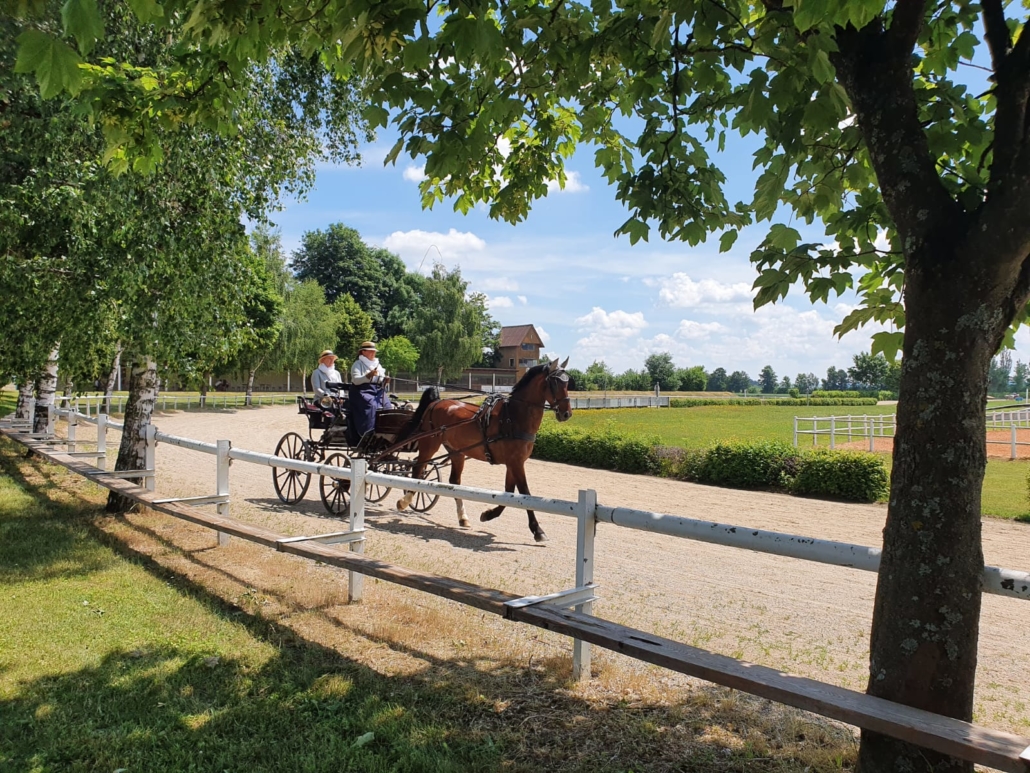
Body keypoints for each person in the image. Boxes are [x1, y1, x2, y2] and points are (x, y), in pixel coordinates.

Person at [348, 341, 391, 441]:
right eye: (370, 351)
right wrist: (367, 376)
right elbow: (356, 380)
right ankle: (368, 433)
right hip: (361, 391)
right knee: (371, 406)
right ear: (363, 352)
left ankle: (386, 432)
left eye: (374, 351)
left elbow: (381, 380)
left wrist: (385, 381)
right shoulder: (357, 364)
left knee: (387, 406)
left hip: (378, 391)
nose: (373, 353)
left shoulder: (378, 365)